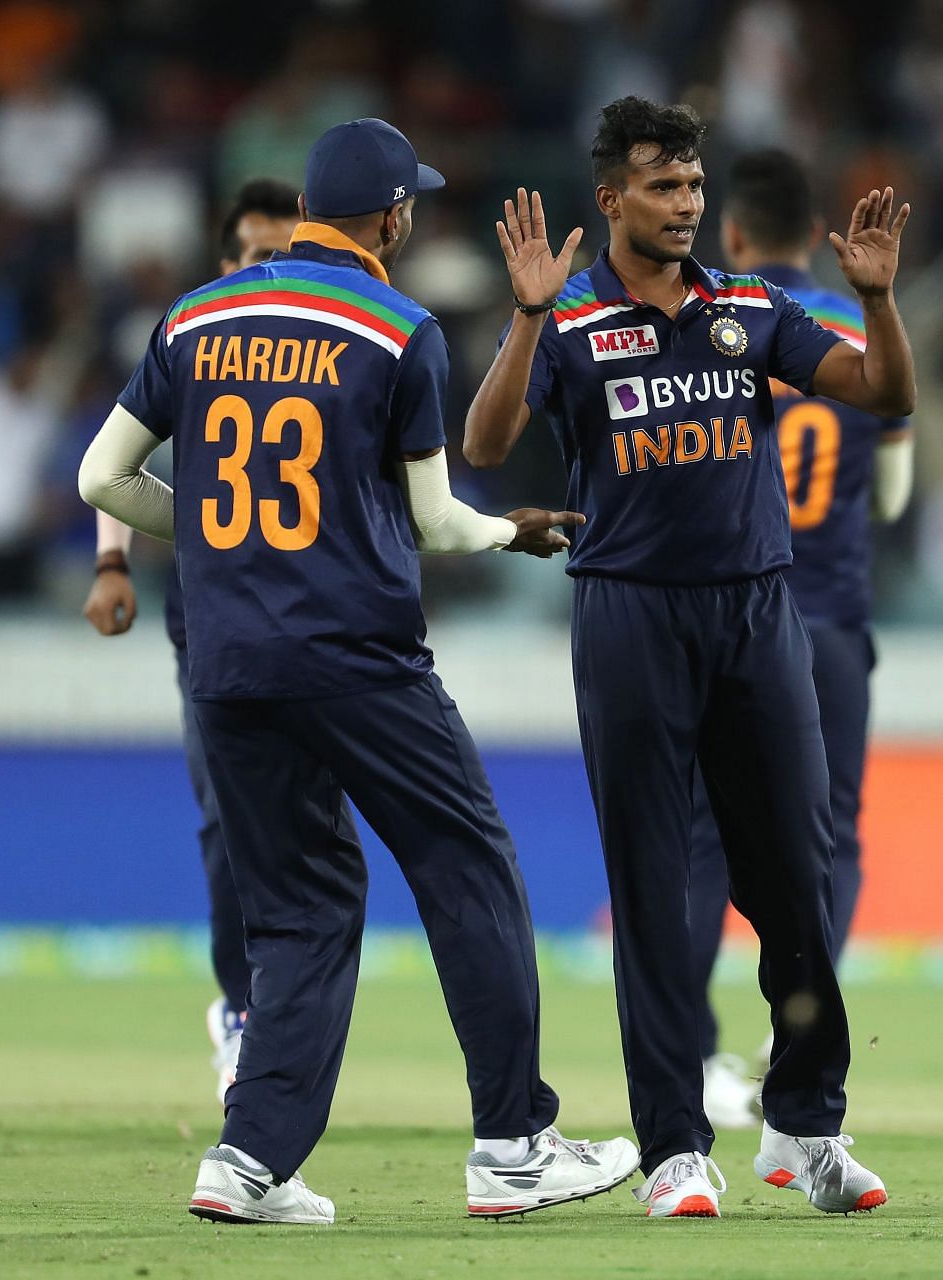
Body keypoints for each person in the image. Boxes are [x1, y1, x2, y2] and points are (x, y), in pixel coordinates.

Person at [78, 117, 636, 1225]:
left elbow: (103, 476)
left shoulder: (195, 314)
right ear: (391, 216)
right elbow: (432, 519)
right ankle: (515, 1142)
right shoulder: (399, 328)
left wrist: (218, 539)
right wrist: (507, 530)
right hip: (355, 656)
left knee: (296, 910)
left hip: (228, 661)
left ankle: (248, 1162)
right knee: (467, 863)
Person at [462, 97, 915, 1219]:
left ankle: (808, 1121)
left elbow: (883, 393)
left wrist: (877, 300)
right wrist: (523, 316)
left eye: (696, 186)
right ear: (611, 197)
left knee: (800, 884)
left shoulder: (751, 306)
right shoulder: (565, 321)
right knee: (657, 895)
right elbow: (483, 445)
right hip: (629, 618)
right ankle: (673, 1145)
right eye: (665, 187)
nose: (688, 205)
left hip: (762, 618)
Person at [686, 148, 914, 1130]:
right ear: (811, 231)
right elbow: (895, 495)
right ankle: (797, 1035)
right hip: (829, 615)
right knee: (831, 836)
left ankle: (691, 1058)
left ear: (733, 234)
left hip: (727, 611)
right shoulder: (848, 328)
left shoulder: (708, 326)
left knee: (701, 834)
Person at [82, 177, 304, 1106]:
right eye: (254, 252)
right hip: (214, 612)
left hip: (314, 616)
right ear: (227, 261)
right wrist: (113, 563)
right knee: (228, 819)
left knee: (305, 825)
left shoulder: (333, 341)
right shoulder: (199, 331)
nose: (268, 266)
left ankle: (288, 1021)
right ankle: (245, 1011)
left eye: (282, 251)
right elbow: (120, 456)